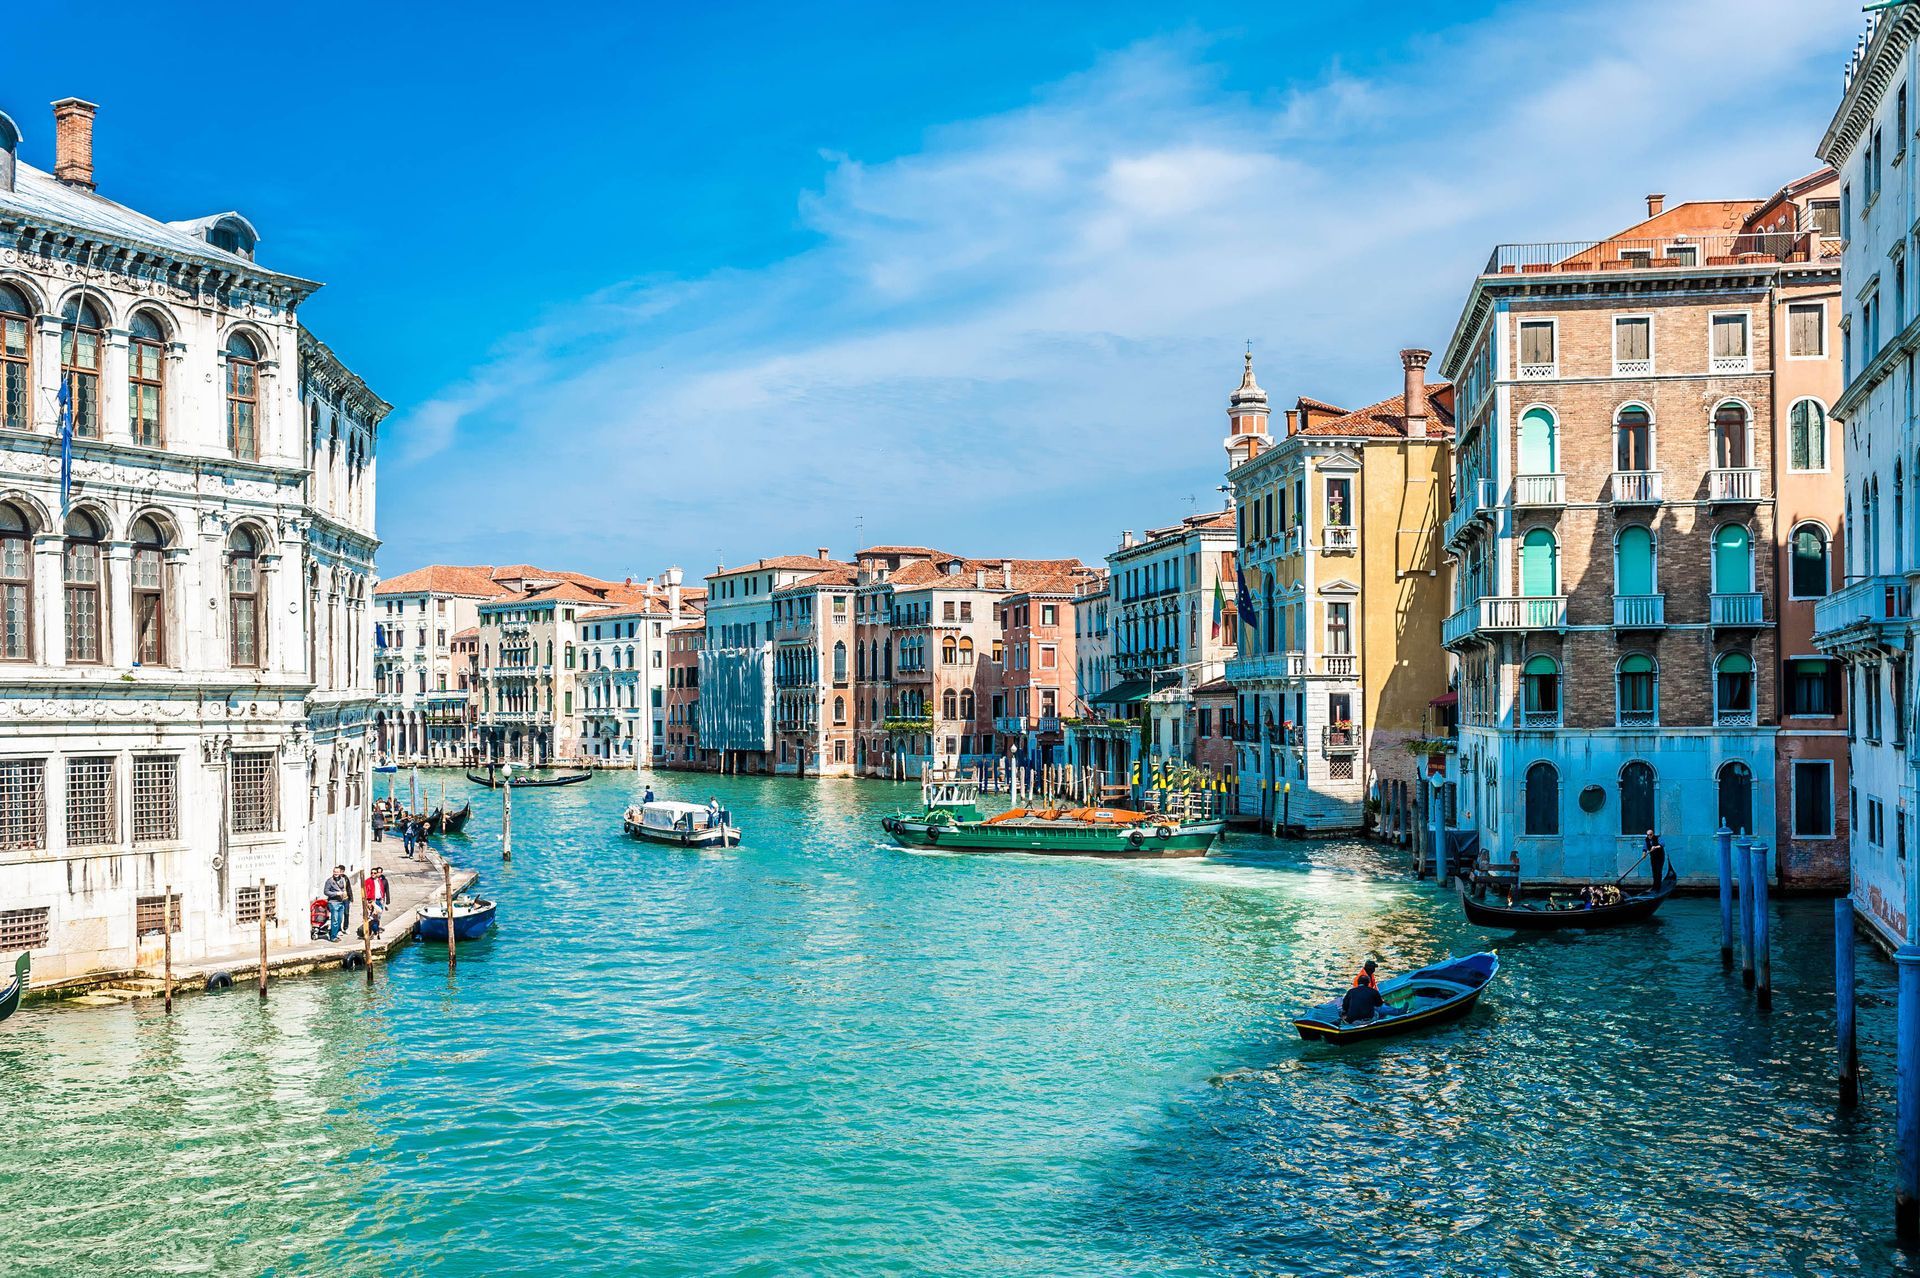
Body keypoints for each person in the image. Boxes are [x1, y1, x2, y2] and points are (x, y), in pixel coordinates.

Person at [323, 865, 352, 942]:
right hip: (333, 903)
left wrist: (347, 896)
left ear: (340, 872)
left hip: (341, 902)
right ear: (333, 872)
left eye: (337, 872)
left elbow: (346, 888)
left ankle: (334, 933)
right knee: (335, 920)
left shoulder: (343, 879)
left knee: (339, 920)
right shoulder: (329, 881)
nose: (336, 873)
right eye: (334, 872)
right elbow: (326, 892)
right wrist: (336, 893)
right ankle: (333, 937)